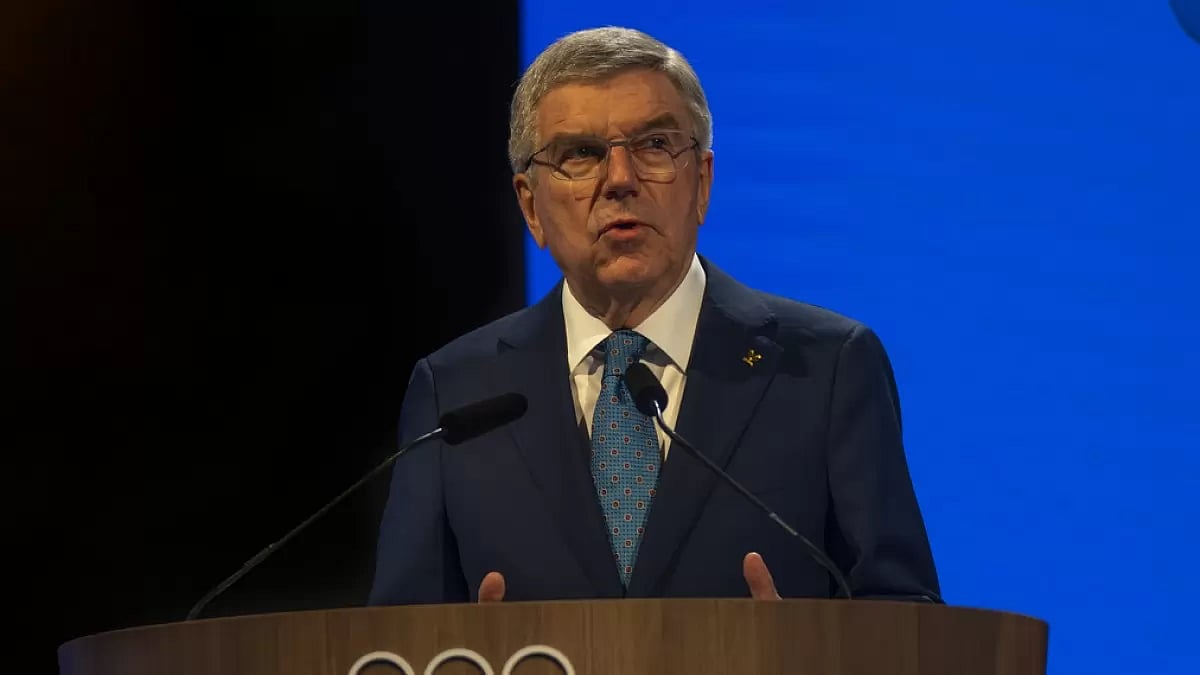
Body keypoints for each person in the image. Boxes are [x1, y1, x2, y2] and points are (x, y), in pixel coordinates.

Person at [368, 26, 940, 605]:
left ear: (702, 184)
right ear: (530, 206)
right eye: (581, 154)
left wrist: (807, 655)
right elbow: (393, 644)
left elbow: (907, 621)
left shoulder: (826, 368)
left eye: (656, 146)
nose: (620, 181)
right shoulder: (456, 395)